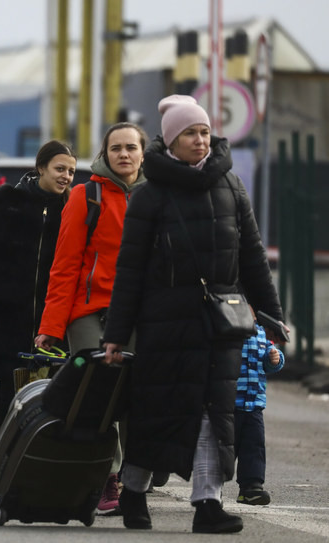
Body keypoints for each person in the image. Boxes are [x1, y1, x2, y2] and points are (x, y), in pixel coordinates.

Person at [101, 95, 287, 534]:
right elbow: (129, 269)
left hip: (221, 322)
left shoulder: (231, 186)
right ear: (171, 140)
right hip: (165, 321)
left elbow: (252, 257)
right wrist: (116, 332)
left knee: (214, 412)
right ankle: (133, 491)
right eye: (190, 133)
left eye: (204, 132)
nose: (200, 140)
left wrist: (273, 318)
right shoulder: (149, 195)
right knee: (158, 410)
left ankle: (207, 503)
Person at [35, 122, 148, 513]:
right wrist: (51, 326)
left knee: (139, 395)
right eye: (116, 147)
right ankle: (107, 478)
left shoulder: (156, 197)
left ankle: (137, 476)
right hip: (90, 313)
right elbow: (64, 266)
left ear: (142, 153)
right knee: (97, 393)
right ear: (105, 152)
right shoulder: (86, 195)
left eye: (131, 147)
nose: (124, 154)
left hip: (140, 314)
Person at [0, 140, 73, 438]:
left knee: (55, 388)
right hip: (9, 313)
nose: (66, 176)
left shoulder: (74, 209)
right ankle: (2, 457)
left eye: (70, 171)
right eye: (60, 169)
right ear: (41, 167)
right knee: (10, 386)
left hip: (54, 315)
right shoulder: (11, 204)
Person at [234, 313, 285, 506]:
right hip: (229, 403)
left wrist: (275, 359)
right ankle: (213, 486)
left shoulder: (263, 332)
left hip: (254, 403)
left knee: (254, 446)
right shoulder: (228, 328)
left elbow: (270, 360)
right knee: (223, 447)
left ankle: (251, 487)